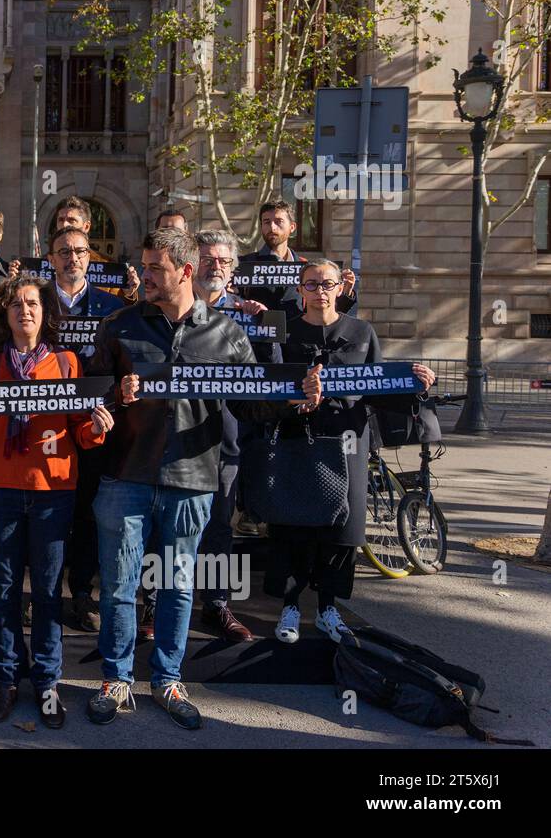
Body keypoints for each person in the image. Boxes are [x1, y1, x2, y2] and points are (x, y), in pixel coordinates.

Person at [85, 227, 258, 731]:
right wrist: (117, 395)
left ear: (185, 271)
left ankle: (167, 679)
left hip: (192, 479)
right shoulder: (118, 326)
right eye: (144, 267)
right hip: (126, 475)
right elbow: (87, 399)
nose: (145, 278)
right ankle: (116, 679)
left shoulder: (226, 332)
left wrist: (301, 394)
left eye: (155, 269)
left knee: (180, 585)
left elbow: (254, 408)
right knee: (119, 585)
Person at [0, 276, 112, 727]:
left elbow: (81, 434)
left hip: (52, 492)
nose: (25, 310)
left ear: (45, 312)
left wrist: (98, 426)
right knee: (4, 592)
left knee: (46, 593)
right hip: (1, 489)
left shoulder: (65, 363)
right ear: (5, 315)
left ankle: (47, 682)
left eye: (33, 304)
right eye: (16, 305)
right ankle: (6, 679)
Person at [262, 259, 435, 643]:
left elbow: (377, 386)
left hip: (348, 444)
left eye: (327, 284)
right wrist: (294, 401)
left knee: (342, 529)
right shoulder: (285, 333)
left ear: (341, 288)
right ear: (300, 289)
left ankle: (328, 608)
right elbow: (271, 388)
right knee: (294, 525)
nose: (319, 291)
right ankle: (290, 606)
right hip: (297, 442)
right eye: (311, 284)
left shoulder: (361, 330)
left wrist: (416, 384)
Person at [186, 229, 277, 641]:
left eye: (223, 261)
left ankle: (217, 603)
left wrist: (264, 327)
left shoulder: (248, 314)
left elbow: (267, 376)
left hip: (227, 440)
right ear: (192, 264)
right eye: (208, 259)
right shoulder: (176, 309)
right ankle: (159, 601)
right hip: (178, 437)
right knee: (170, 523)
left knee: (219, 525)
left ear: (234, 269)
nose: (215, 266)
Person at [44, 226, 124, 633]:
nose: (71, 259)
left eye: (78, 251)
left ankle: (82, 593)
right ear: (50, 257)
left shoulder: (112, 308)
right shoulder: (35, 303)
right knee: (46, 514)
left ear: (89, 257)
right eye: (63, 252)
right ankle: (43, 593)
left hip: (93, 426)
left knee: (89, 513)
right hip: (44, 428)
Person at [236, 199, 357, 314]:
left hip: (299, 335)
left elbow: (325, 313)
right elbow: (231, 307)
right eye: (267, 222)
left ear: (292, 227)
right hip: (257, 333)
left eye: (278, 221)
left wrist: (345, 293)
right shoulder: (244, 265)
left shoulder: (307, 268)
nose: (272, 227)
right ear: (261, 227)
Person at [49, 196, 140, 303]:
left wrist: (127, 293)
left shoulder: (108, 267)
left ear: (86, 227)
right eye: (60, 220)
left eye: (71, 220)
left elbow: (118, 310)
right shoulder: (42, 265)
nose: (64, 225)